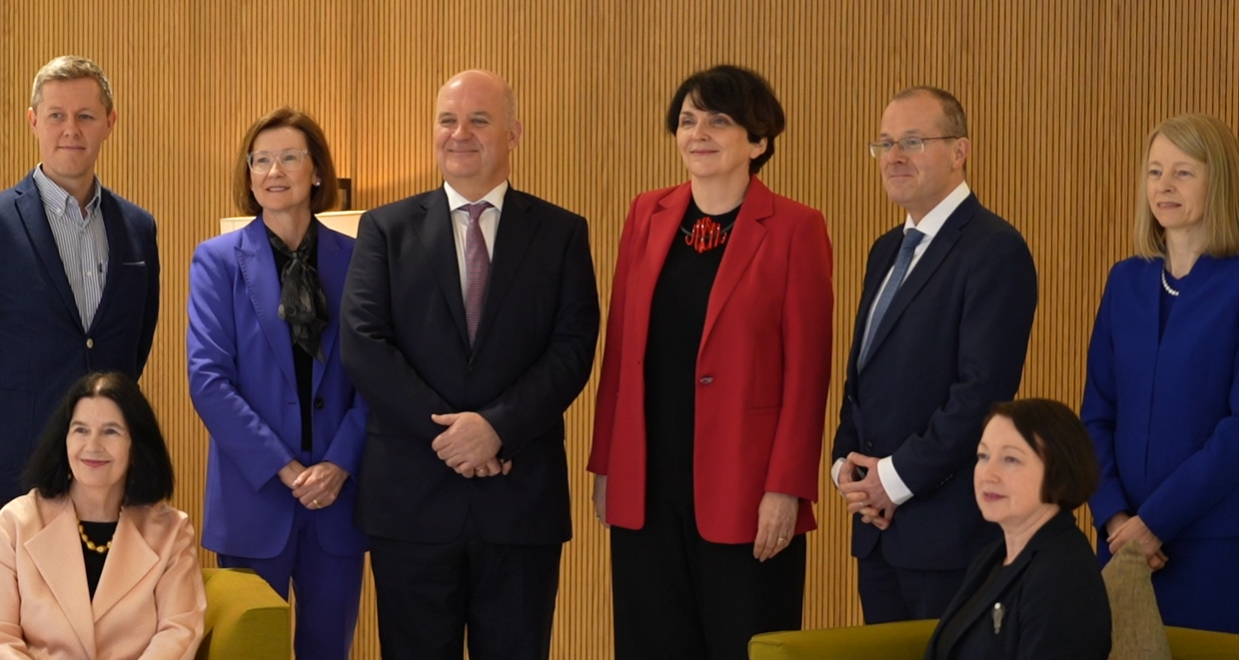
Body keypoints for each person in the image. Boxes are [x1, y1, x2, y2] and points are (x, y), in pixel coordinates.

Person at [340, 70, 599, 660]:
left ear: (514, 134)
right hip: (411, 501)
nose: (460, 134)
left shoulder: (561, 233)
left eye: (479, 120)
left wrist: (496, 429)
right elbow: (364, 344)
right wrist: (454, 438)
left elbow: (573, 348)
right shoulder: (384, 229)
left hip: (519, 501)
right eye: (447, 120)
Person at [587, 65, 832, 660]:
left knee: (744, 644)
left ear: (759, 140)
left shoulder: (796, 227)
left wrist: (786, 488)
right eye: (687, 120)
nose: (697, 133)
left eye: (718, 121)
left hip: (746, 489)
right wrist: (607, 463)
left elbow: (808, 374)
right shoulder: (646, 214)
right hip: (647, 483)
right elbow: (620, 351)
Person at [831, 86, 1038, 623]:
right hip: (877, 531)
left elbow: (981, 395)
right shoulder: (885, 250)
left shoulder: (994, 249)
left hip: (947, 539)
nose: (894, 157)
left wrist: (894, 480)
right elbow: (863, 376)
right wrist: (845, 465)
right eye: (885, 144)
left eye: (913, 142)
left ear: (959, 151)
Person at [187, 107, 368, 659]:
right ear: (248, 175)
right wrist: (286, 469)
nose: (274, 171)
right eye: (261, 160)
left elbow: (377, 377)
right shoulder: (217, 261)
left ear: (317, 172)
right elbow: (208, 380)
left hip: (337, 499)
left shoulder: (359, 260)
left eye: (289, 157)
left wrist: (339, 464)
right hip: (256, 495)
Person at [1081, 113, 1239, 634]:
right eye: (1154, 172)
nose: (1164, 185)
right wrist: (1115, 517)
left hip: (1213, 551)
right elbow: (1096, 416)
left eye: (1183, 172)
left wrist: (1155, 522)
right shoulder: (1125, 280)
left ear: (1219, 182)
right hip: (1121, 545)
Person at [0, 55, 160, 506]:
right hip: (17, 468)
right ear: (33, 122)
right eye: (57, 116)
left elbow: (136, 343)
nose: (71, 129)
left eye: (86, 116)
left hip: (110, 470)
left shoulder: (139, 227)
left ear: (110, 123)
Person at [0, 372, 204, 659]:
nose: (93, 446)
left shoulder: (172, 531)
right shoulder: (15, 523)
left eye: (110, 431)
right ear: (64, 441)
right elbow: (3, 637)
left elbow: (179, 630)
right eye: (81, 430)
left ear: (136, 446)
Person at [926, 399, 1111, 660]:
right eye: (983, 456)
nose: (988, 474)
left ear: (1059, 471)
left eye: (1011, 459)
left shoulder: (1064, 577)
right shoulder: (991, 557)